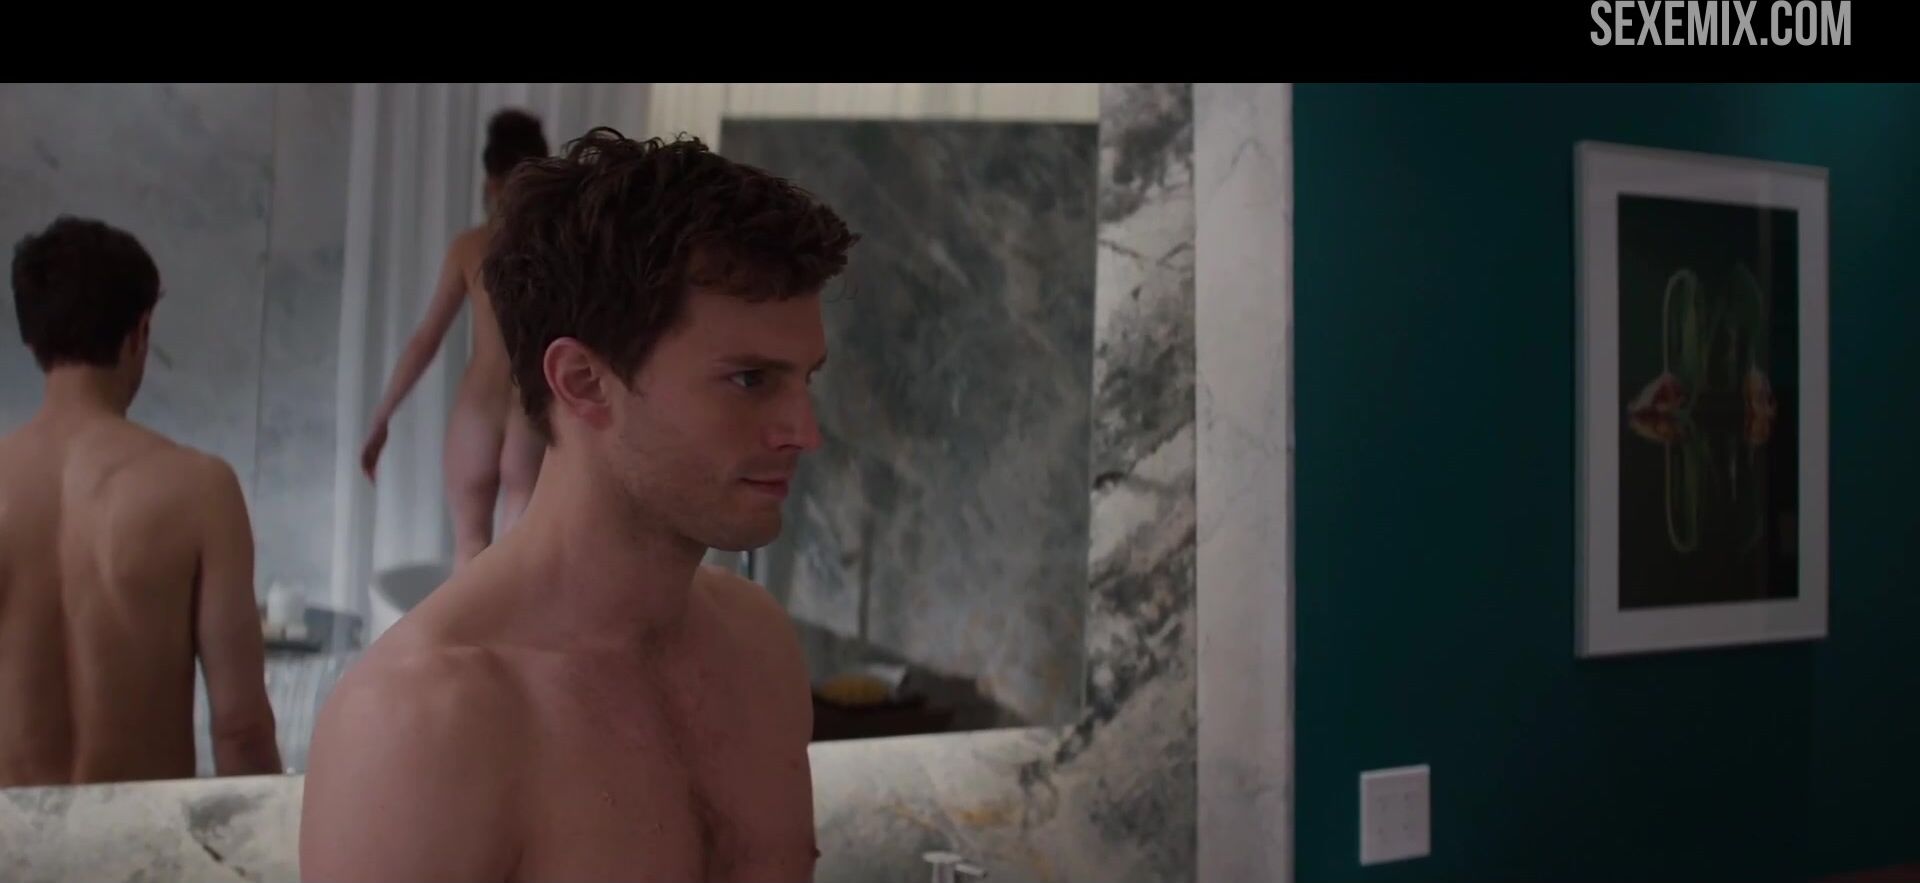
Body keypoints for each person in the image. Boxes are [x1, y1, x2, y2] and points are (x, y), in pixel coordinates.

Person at [300, 130, 858, 882]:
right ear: (585, 382)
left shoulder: (758, 648)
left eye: (806, 379)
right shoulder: (425, 721)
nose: (805, 433)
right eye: (751, 380)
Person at [0, 216, 282, 786]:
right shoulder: (202, 489)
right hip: (143, 833)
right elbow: (241, 730)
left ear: (31, 340)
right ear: (140, 333)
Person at [359, 108, 552, 565]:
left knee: (469, 550)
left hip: (476, 411)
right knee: (516, 561)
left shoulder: (470, 248)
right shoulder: (557, 251)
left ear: (491, 183)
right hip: (529, 409)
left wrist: (383, 415)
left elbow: (425, 339)